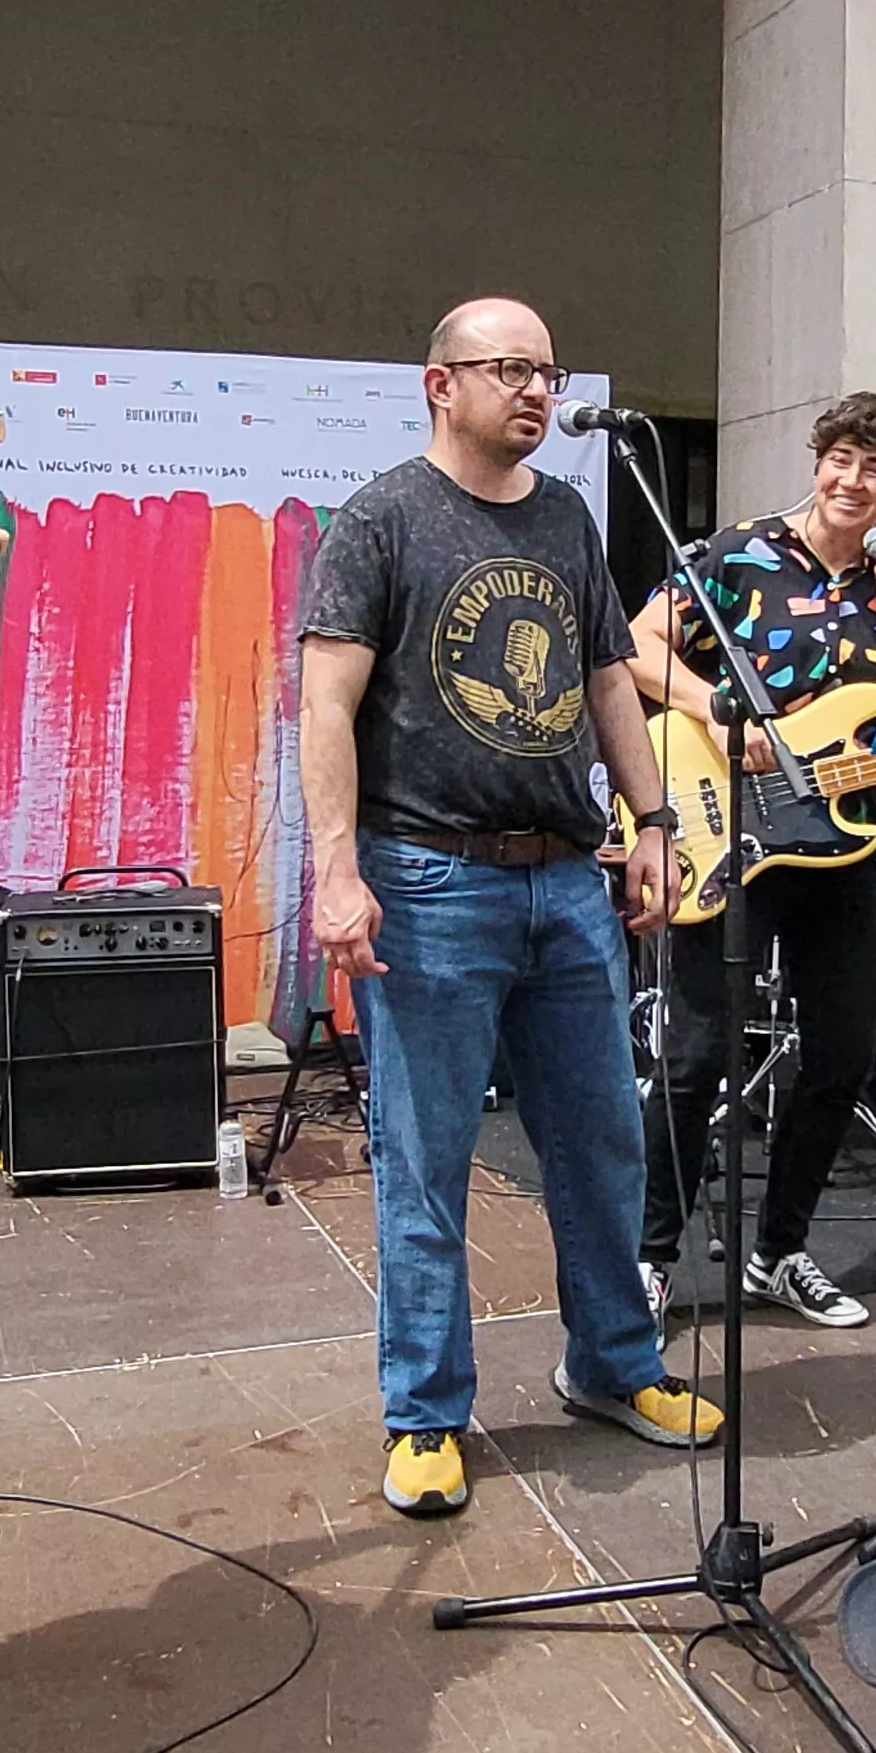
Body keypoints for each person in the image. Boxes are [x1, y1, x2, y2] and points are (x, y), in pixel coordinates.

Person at [301, 298, 725, 1519]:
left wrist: (653, 821)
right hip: (431, 874)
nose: (537, 390)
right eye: (510, 369)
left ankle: (613, 1363)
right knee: (424, 1157)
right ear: (440, 382)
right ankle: (426, 1412)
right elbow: (325, 704)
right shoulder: (382, 517)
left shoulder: (567, 513)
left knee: (599, 1141)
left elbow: (604, 676)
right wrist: (337, 870)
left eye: (548, 370)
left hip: (565, 876)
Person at [624, 392, 876, 1331]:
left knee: (842, 1053)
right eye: (838, 459)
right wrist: (725, 712)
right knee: (693, 1056)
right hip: (728, 824)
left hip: (842, 843)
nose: (849, 480)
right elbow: (636, 647)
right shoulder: (739, 555)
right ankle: (646, 1256)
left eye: (872, 470)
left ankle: (778, 1251)